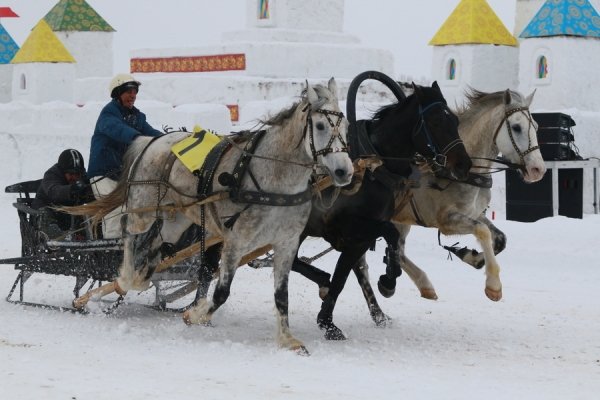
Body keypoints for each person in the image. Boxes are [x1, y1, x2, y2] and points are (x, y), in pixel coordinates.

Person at [87, 73, 162, 238]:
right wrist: (139, 138)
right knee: (115, 211)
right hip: (103, 174)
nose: (133, 95)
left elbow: (151, 133)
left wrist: (168, 140)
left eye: (135, 92)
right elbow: (118, 130)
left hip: (122, 174)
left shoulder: (137, 117)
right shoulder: (108, 114)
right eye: (129, 92)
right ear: (118, 93)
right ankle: (112, 253)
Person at [32, 149, 94, 238]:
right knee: (45, 215)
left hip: (68, 214)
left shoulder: (83, 176)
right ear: (62, 171)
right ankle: (60, 243)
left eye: (78, 174)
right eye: (71, 174)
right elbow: (54, 191)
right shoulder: (51, 175)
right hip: (49, 211)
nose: (75, 177)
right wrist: (71, 189)